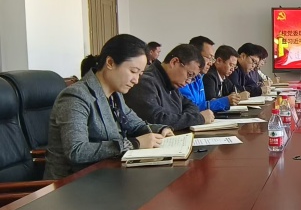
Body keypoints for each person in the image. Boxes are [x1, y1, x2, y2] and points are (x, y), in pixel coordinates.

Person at [44, 34, 173, 180]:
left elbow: (136, 125)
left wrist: (161, 129)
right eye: (133, 71)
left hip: (106, 175)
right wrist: (134, 143)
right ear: (110, 63)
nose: (136, 80)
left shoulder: (115, 95)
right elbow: (77, 151)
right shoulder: (75, 96)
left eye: (140, 74)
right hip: (73, 183)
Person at [126, 44, 214, 130]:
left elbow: (191, 105)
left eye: (192, 78)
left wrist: (181, 119)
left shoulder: (171, 83)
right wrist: (198, 118)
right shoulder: (145, 82)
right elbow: (156, 120)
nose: (188, 81)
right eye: (189, 74)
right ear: (174, 62)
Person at [179, 36, 241, 112]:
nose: (211, 63)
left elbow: (203, 104)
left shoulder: (199, 77)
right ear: (195, 55)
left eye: (212, 59)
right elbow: (193, 108)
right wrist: (225, 101)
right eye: (209, 58)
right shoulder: (183, 78)